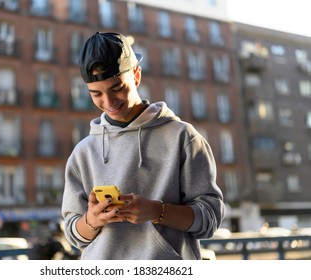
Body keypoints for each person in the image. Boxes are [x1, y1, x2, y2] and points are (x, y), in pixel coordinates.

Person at [61, 31, 225, 260]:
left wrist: (156, 211)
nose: (108, 102)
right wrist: (92, 220)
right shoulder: (83, 152)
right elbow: (73, 234)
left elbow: (210, 220)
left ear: (136, 75)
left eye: (117, 88)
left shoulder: (183, 137)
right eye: (96, 93)